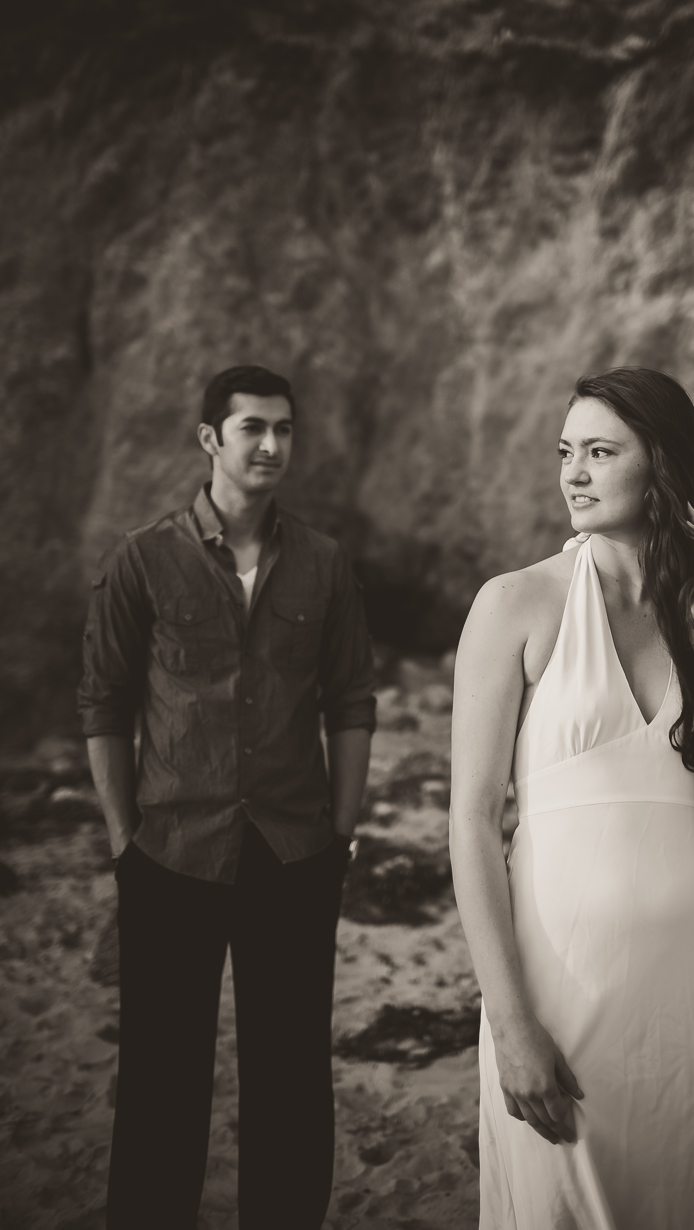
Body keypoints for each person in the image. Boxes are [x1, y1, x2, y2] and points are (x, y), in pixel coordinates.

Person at [449, 367, 694, 1230]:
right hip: (558, 990)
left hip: (691, 996)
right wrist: (510, 1023)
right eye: (567, 452)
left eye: (601, 452)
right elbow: (469, 823)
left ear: (660, 468)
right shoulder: (515, 604)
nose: (574, 473)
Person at [78, 364, 376, 1230]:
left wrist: (342, 832)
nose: (272, 445)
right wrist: (121, 834)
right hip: (170, 855)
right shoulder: (144, 559)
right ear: (211, 438)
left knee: (290, 1078)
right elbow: (104, 701)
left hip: (293, 855)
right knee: (161, 1081)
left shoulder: (323, 564)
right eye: (253, 428)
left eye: (284, 429)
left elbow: (351, 699)